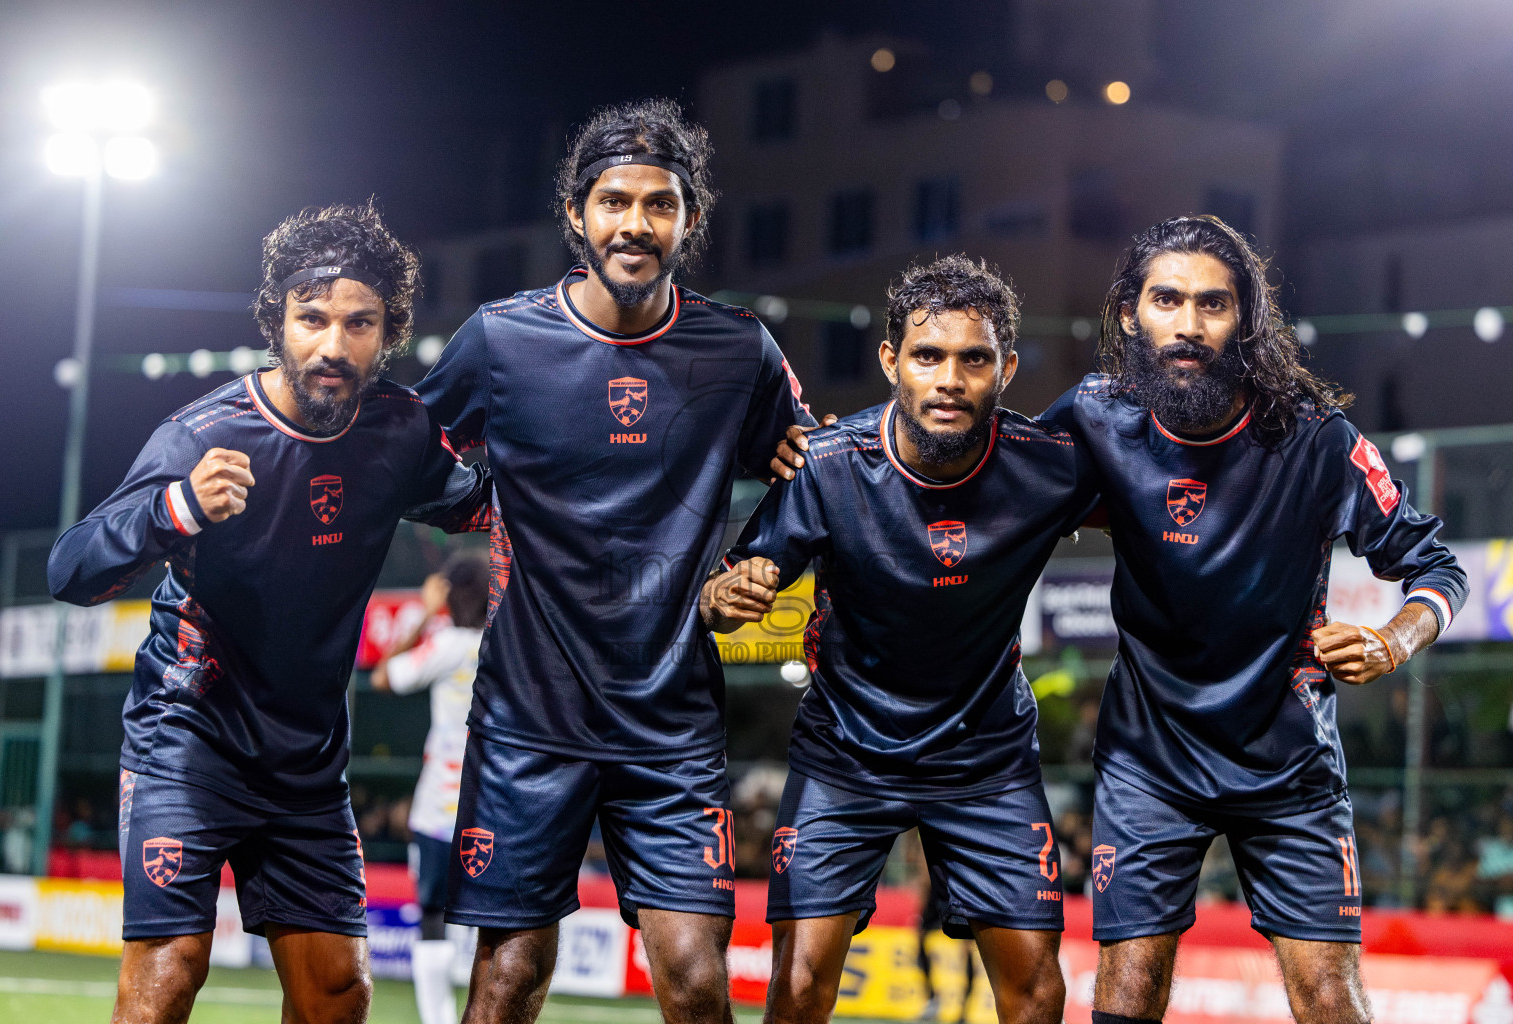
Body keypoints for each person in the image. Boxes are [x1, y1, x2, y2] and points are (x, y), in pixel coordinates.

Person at [413, 98, 817, 1024]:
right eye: (614, 201)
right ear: (576, 215)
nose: (635, 223)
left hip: (668, 721)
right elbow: (406, 459)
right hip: (528, 719)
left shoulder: (737, 348)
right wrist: (483, 501)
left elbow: (811, 473)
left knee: (694, 974)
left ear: (690, 221)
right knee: (509, 976)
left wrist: (754, 566)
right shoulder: (503, 339)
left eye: (660, 204)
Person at [48, 200, 495, 1024]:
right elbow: (71, 567)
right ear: (276, 319)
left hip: (307, 764)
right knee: (171, 968)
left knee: (338, 992)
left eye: (359, 323)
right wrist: (178, 506)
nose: (332, 344)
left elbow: (485, 504)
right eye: (312, 317)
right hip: (190, 736)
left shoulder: (400, 432)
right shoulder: (204, 434)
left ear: (387, 331)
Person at [1041, 216, 1468, 1024]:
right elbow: (989, 498)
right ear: (1131, 312)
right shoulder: (1092, 417)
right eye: (1167, 300)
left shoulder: (1314, 437)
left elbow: (1437, 567)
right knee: (1127, 989)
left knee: (1327, 994)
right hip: (1149, 759)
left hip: (1287, 762)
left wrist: (1391, 638)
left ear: (1246, 321)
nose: (1190, 325)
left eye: (1214, 304)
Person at [704, 256, 1097, 1024]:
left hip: (984, 754)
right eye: (928, 356)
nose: (949, 378)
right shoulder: (824, 464)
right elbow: (728, 593)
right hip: (845, 752)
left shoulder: (1050, 469)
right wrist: (725, 598)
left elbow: (1167, 512)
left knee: (1039, 992)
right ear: (892, 361)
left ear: (1006, 369)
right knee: (795, 985)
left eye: (973, 359)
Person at [373, 549, 506, 1024]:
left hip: (440, 808)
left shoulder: (447, 643)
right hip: (497, 805)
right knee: (497, 922)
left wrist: (425, 612)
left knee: (432, 913)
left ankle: (439, 1020)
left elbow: (384, 674)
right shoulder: (503, 645)